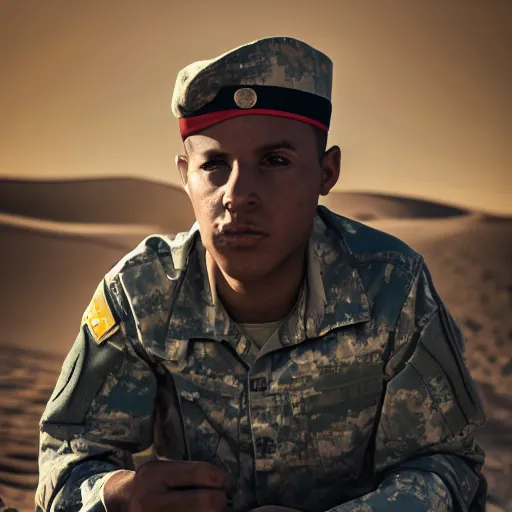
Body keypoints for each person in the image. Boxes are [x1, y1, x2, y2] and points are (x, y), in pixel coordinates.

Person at [35, 36, 487, 512]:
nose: (238, 194)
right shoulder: (139, 295)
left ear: (326, 172)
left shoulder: (392, 288)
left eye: (275, 161)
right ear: (184, 175)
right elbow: (66, 460)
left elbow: (448, 465)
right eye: (214, 165)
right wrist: (119, 496)